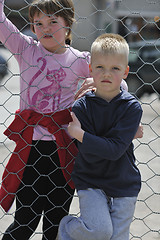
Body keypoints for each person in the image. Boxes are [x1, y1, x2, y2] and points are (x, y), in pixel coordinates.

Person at [0, 0, 91, 239]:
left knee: (55, 224)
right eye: (38, 23)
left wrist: (93, 82)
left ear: (68, 24)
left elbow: (113, 77)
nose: (45, 28)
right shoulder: (26, 49)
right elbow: (2, 23)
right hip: (30, 150)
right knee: (24, 221)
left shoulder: (79, 60)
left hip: (63, 150)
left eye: (53, 21)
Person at [58, 33, 143, 240]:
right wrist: (97, 140)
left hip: (123, 181)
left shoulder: (131, 108)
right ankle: (66, 228)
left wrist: (80, 134)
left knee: (117, 237)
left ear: (126, 72)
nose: (107, 73)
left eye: (115, 68)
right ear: (90, 70)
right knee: (100, 231)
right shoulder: (81, 107)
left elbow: (114, 151)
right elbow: (91, 150)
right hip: (91, 179)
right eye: (100, 67)